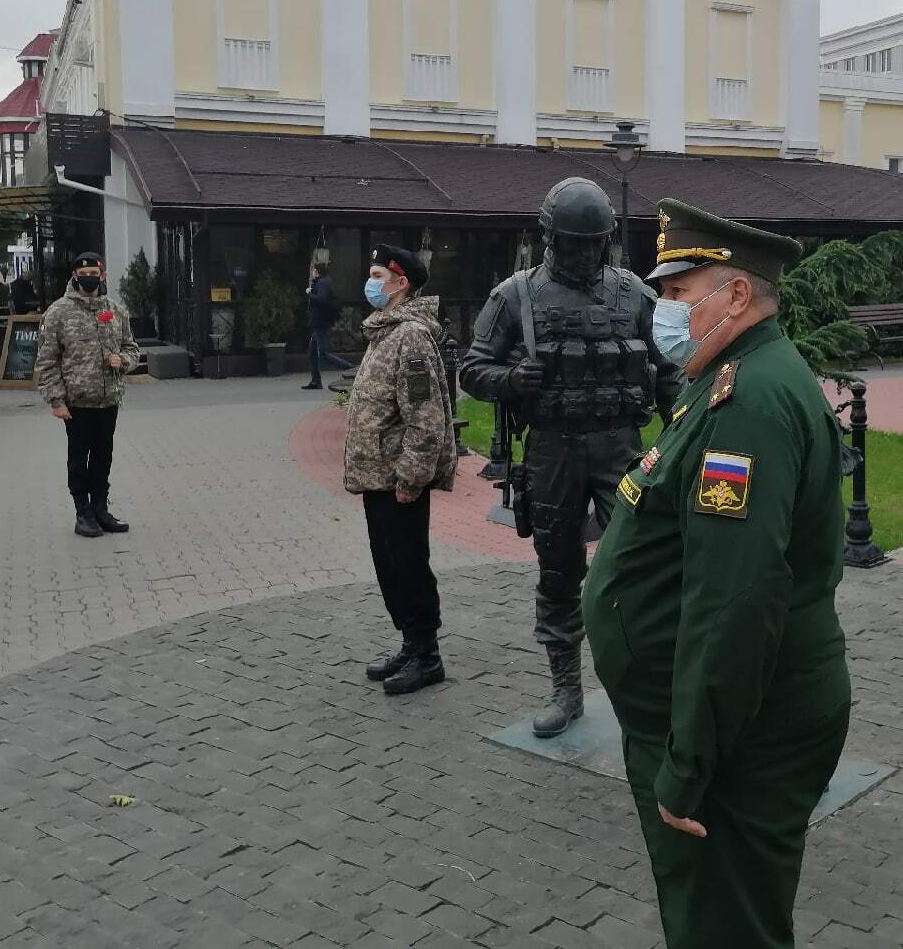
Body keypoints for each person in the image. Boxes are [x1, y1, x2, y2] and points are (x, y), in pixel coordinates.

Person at [582, 200, 851, 949]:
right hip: (726, 716)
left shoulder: (748, 403)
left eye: (677, 293)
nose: (662, 310)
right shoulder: (725, 376)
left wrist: (690, 763)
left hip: (735, 734)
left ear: (735, 295)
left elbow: (732, 599)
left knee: (725, 925)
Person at [461, 178, 680, 738]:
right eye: (572, 244)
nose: (584, 256)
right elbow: (471, 367)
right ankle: (566, 688)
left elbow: (673, 372)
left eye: (594, 245)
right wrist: (510, 379)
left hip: (621, 447)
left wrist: (687, 428)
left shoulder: (635, 295)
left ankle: (647, 680)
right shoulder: (515, 296)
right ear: (549, 239)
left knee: (642, 562)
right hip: (553, 451)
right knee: (558, 572)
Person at [344, 244, 458, 695]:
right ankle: (411, 644)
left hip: (398, 480)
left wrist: (411, 477)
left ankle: (427, 655)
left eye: (376, 274)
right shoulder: (385, 332)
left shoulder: (409, 336)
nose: (369, 283)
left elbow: (425, 414)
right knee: (389, 563)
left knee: (409, 563)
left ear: (400, 282)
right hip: (379, 476)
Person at [35, 252, 141, 539]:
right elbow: (46, 361)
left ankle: (100, 509)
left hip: (108, 399)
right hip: (77, 402)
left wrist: (124, 360)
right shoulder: (58, 313)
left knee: (103, 457)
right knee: (78, 458)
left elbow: (132, 347)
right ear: (75, 277)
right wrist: (56, 400)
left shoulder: (116, 310)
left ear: (103, 275)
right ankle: (82, 513)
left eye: (94, 273)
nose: (89, 278)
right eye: (83, 275)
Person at [302, 260, 354, 391]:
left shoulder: (323, 283)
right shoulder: (324, 281)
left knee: (323, 354)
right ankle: (315, 381)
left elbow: (321, 299)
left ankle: (353, 369)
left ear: (317, 271)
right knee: (312, 352)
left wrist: (309, 293)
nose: (312, 272)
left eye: (313, 270)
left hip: (321, 322)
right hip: (319, 321)